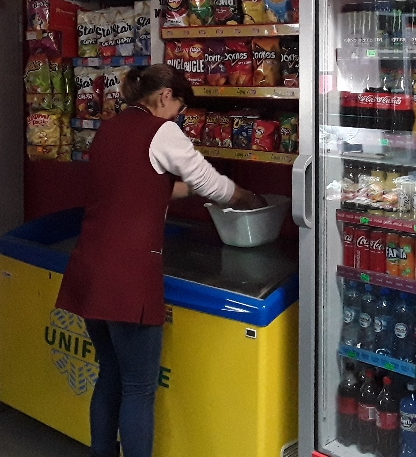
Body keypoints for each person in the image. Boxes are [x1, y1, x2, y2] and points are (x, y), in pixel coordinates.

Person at [56, 64, 265, 457]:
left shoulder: (110, 128)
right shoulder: (161, 131)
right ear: (165, 95)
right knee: (138, 388)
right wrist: (247, 198)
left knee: (110, 374)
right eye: (179, 108)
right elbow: (209, 182)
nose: (178, 117)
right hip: (128, 275)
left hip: (90, 267)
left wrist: (189, 189)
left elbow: (142, 185)